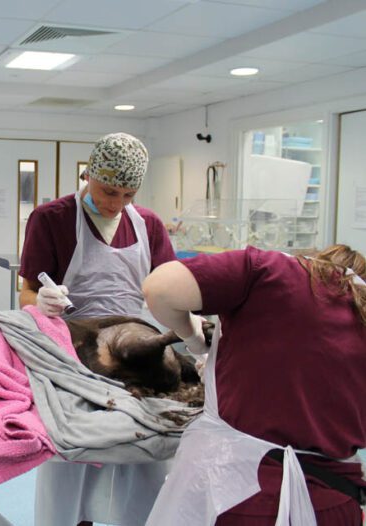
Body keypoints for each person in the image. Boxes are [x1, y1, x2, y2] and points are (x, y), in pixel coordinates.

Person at [142, 244, 366, 525]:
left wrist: (193, 337)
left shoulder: (270, 270)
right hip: (335, 503)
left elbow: (160, 289)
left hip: (245, 495)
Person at [18, 132, 177, 526]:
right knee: (73, 459)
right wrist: (40, 304)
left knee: (142, 456)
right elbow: (27, 293)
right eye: (108, 191)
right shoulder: (52, 218)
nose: (115, 204)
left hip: (134, 357)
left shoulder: (149, 225)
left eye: (128, 195)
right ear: (89, 174)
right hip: (73, 358)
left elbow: (169, 287)